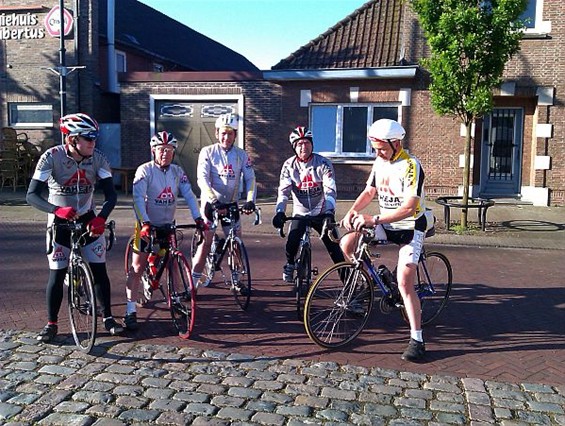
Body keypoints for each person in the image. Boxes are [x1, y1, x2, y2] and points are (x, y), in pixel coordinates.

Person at [340, 119, 434, 362]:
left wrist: (374, 218)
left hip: (410, 227)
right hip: (386, 224)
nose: (378, 153)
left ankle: (417, 339)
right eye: (375, 149)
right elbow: (370, 191)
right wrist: (352, 211)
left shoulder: (411, 165)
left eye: (381, 148)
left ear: (396, 143)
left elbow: (408, 208)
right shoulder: (380, 162)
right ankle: (374, 281)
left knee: (405, 282)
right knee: (347, 243)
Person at [26, 112, 124, 342]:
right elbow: (31, 195)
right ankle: (51, 324)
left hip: (88, 219)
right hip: (60, 222)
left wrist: (101, 217)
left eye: (94, 138)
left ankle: (108, 317)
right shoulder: (51, 157)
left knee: (100, 271)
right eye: (88, 138)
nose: (93, 142)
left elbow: (111, 195)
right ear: (71, 140)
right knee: (57, 274)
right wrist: (55, 210)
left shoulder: (98, 158)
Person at [124, 131, 207, 331]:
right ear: (154, 151)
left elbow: (189, 194)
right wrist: (144, 222)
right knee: (136, 268)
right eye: (161, 150)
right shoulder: (144, 171)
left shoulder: (177, 172)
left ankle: (175, 297)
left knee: (172, 261)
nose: (165, 154)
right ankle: (130, 311)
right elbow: (137, 198)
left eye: (169, 150)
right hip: (147, 225)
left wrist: (198, 217)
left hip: (168, 225)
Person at [191, 113, 257, 290]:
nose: (226, 137)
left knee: (235, 243)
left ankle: (236, 281)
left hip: (230, 205)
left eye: (230, 133)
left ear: (235, 135)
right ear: (216, 133)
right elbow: (202, 179)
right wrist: (213, 200)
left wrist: (250, 200)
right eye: (223, 133)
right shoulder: (208, 152)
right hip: (211, 205)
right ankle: (193, 283)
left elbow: (250, 178)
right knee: (205, 244)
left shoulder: (241, 155)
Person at [272, 126, 345, 282]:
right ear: (294, 147)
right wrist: (279, 211)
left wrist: (329, 212)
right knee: (292, 242)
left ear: (312, 145)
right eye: (300, 144)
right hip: (300, 212)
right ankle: (290, 264)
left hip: (322, 212)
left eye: (307, 143)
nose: (304, 147)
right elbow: (283, 192)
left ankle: (349, 288)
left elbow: (330, 190)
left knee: (335, 250)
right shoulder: (288, 166)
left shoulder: (323, 163)